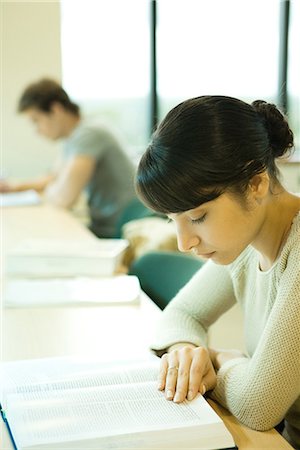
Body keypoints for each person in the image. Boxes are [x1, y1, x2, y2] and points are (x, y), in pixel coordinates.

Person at [135, 95, 300, 448]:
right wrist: (185, 352)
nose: (184, 242)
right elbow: (182, 314)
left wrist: (217, 358)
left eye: (197, 217)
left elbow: (258, 403)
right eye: (172, 220)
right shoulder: (248, 238)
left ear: (256, 184)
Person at [0, 78, 138, 238]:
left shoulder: (89, 134)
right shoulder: (72, 138)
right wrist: (15, 187)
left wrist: (53, 189)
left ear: (56, 110)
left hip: (119, 230)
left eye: (36, 120)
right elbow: (53, 178)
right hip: (106, 225)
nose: (37, 130)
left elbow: (64, 199)